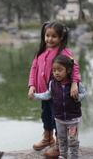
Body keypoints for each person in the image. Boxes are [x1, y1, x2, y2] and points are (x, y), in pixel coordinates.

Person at [28, 21, 81, 157]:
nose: (49, 39)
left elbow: (74, 67)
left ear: (61, 38)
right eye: (47, 35)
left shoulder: (63, 52)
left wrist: (75, 83)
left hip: (57, 94)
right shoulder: (41, 51)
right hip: (43, 92)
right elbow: (34, 68)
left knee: (56, 118)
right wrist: (32, 85)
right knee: (45, 116)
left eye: (54, 36)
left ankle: (59, 146)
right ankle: (47, 138)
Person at [33, 55, 86, 159]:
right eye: (54, 70)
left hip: (72, 119)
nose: (56, 73)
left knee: (72, 140)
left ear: (68, 70)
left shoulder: (75, 84)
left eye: (60, 70)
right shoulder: (52, 83)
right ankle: (63, 155)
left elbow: (84, 93)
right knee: (61, 139)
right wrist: (35, 96)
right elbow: (48, 95)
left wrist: (77, 97)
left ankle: (74, 156)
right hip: (59, 119)